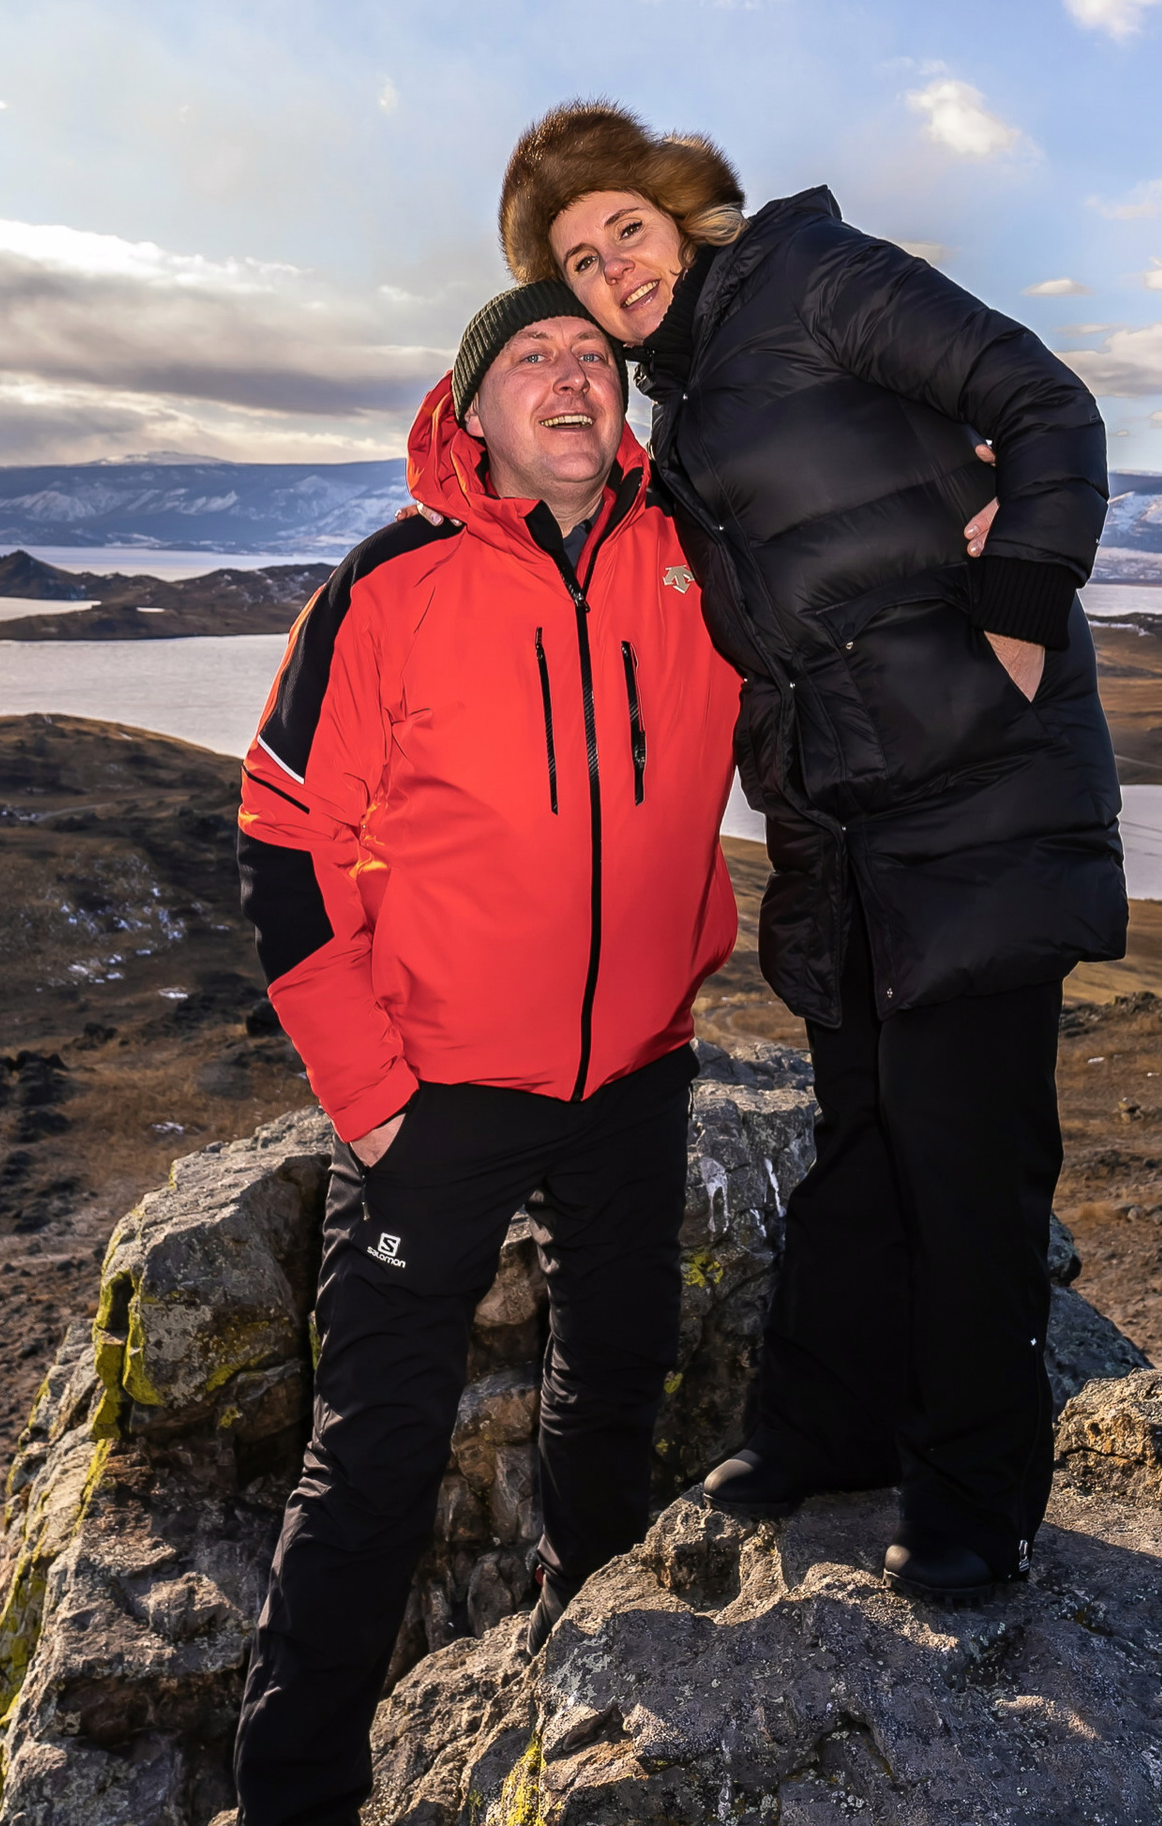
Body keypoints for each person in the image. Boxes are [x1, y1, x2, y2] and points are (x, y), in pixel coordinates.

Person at [497, 99, 1126, 1607]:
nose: (612, 273)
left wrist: (1023, 612)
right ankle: (827, 1429)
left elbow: (1047, 404)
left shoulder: (820, 275)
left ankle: (976, 1501)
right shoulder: (685, 397)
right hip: (841, 832)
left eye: (624, 230)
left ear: (683, 209)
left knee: (967, 1159)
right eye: (578, 262)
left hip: (975, 794)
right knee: (861, 1141)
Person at [231, 282, 744, 1826]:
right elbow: (279, 830)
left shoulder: (696, 559)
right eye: (537, 356)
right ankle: (293, 1794)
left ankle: (588, 1655)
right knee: (375, 1448)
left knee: (619, 1375)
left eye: (596, 354)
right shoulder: (389, 586)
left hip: (636, 1071)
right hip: (436, 1097)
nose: (577, 373)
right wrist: (369, 1098)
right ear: (475, 409)